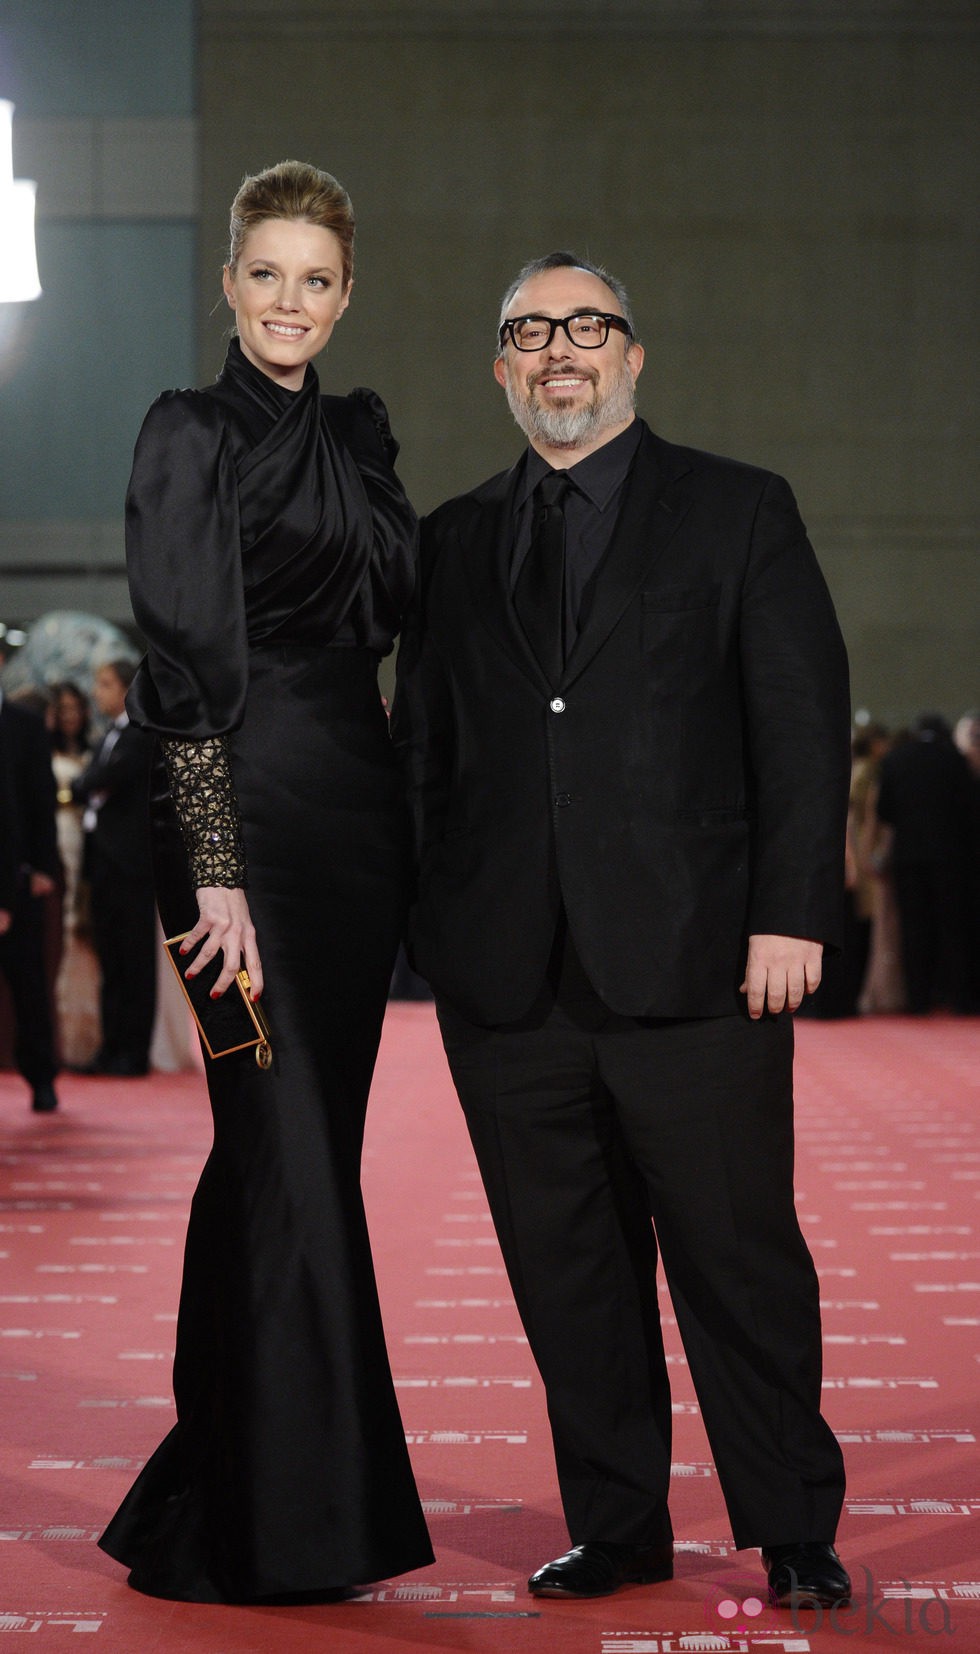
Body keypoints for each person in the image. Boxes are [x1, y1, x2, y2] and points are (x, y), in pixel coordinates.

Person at [393, 252, 852, 1610]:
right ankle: (618, 1520)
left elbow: (802, 723)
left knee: (738, 1260)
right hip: (507, 985)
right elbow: (426, 751)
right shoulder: (452, 540)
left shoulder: (738, 510)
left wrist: (791, 912)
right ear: (500, 367)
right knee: (569, 1272)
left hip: (701, 966)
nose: (558, 352)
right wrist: (431, 931)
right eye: (529, 332)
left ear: (633, 355)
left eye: (586, 327)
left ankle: (791, 1524)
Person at [97, 160, 432, 1603]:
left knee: (282, 1159)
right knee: (283, 1149)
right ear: (228, 283)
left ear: (344, 297)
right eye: (267, 274)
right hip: (228, 843)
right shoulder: (189, 432)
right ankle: (300, 1524)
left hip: (356, 844)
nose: (290, 300)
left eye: (318, 279)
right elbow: (179, 665)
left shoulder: (362, 437)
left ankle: (214, 1485)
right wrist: (212, 867)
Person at [72, 660, 156, 1076]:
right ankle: (111, 1047)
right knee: (110, 960)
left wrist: (83, 784)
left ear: (126, 689)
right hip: (104, 863)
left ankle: (133, 1052)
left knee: (134, 960)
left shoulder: (140, 734)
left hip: (131, 866)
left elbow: (98, 779)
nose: (98, 691)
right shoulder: (109, 733)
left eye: (105, 683)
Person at [875, 712, 975, 1014]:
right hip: (950, 857)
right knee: (952, 927)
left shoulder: (895, 759)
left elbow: (884, 811)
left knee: (913, 928)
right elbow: (969, 808)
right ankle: (958, 998)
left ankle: (917, 999)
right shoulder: (955, 759)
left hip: (908, 857)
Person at [0, 683, 60, 1112]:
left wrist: (43, 867)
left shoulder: (24, 724)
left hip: (20, 879)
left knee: (29, 984)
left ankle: (41, 1077)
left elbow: (41, 800)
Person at [48, 682, 99, 1068]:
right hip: (59, 836)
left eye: (75, 707)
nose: (70, 714)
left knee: (85, 929)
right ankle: (58, 1034)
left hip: (88, 839)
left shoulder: (92, 748)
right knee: (61, 929)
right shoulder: (39, 748)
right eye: (63, 708)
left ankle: (86, 1037)